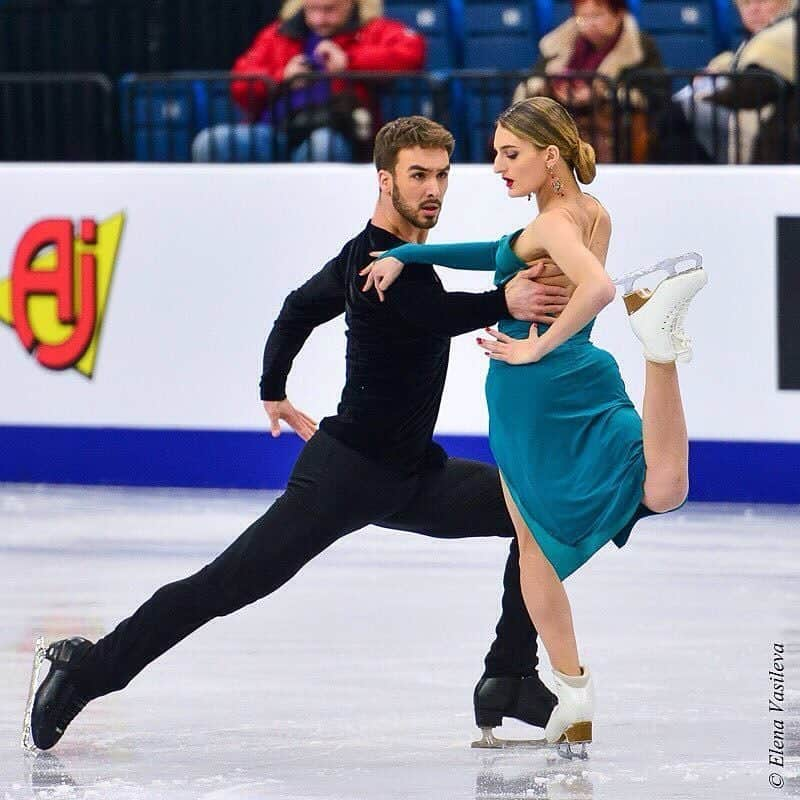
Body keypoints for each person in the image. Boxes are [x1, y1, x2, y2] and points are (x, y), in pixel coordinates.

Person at [27, 116, 577, 753]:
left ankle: (508, 673)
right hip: (345, 477)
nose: (433, 190)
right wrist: (499, 303)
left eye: (442, 176)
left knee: (530, 513)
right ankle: (86, 670)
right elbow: (423, 315)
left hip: (410, 477)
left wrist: (274, 388)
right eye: (418, 175)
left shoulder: (396, 259)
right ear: (384, 180)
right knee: (224, 586)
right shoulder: (377, 261)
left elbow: (298, 306)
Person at [361, 97, 708, 750]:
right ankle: (659, 352)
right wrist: (410, 252)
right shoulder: (590, 212)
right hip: (588, 375)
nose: (495, 165)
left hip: (533, 391)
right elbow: (498, 253)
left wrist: (532, 347)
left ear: (550, 156)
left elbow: (599, 288)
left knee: (536, 548)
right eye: (494, 152)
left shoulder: (551, 225)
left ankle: (574, 696)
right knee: (663, 487)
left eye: (509, 153)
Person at [191, 0, 426, 163]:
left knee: (322, 145)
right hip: (276, 129)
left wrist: (349, 62)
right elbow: (240, 82)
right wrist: (282, 76)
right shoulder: (277, 34)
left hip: (339, 130)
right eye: (313, 9)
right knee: (210, 143)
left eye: (330, 9)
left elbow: (411, 52)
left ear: (353, 3)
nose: (320, 18)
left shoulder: (373, 29)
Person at [512, 0, 662, 163]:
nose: (589, 24)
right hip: (564, 117)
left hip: (611, 126)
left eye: (597, 15)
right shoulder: (557, 44)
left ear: (619, 15)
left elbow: (652, 94)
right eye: (582, 17)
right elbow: (534, 82)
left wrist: (601, 93)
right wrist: (554, 88)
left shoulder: (639, 47)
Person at [665, 0, 796, 163]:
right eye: (746, 4)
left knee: (678, 114)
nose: (753, 10)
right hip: (754, 129)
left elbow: (750, 90)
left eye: (762, 1)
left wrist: (703, 97)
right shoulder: (756, 42)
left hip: (777, 136)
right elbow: (744, 62)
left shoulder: (784, 35)